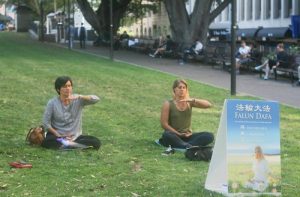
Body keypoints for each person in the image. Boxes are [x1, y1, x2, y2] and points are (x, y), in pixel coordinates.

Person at [41, 76, 101, 149]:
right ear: (58, 89)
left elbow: (96, 99)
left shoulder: (78, 99)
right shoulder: (52, 103)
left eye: (69, 86)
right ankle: (76, 146)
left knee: (96, 142)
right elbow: (45, 122)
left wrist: (80, 96)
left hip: (75, 137)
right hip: (58, 136)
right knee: (46, 142)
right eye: (64, 86)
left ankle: (69, 145)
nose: (68, 88)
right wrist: (58, 134)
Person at [158, 79, 214, 149]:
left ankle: (186, 145)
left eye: (184, 88)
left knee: (209, 136)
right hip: (174, 135)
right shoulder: (168, 104)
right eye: (179, 87)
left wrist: (193, 100)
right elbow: (164, 124)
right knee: (166, 135)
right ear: (174, 89)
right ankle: (187, 146)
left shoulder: (189, 102)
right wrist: (179, 134)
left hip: (188, 136)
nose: (182, 90)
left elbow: (208, 105)